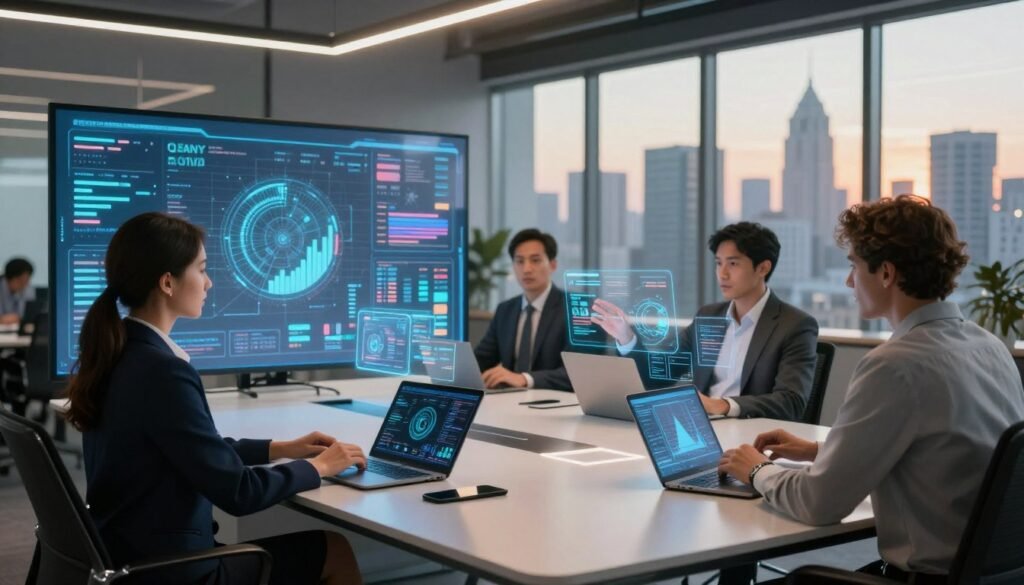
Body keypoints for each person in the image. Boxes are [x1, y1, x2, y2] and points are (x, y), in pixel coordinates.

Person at [719, 195, 1024, 584]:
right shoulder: (988, 346)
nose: (849, 280)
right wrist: (820, 450)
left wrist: (757, 470)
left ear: (886, 274)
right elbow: (946, 449)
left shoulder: (896, 364)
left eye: (854, 266)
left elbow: (819, 504)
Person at [64, 212, 366, 585]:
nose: (208, 283)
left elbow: (190, 450)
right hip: (172, 571)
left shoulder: (120, 353)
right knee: (334, 549)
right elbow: (239, 492)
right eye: (202, 270)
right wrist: (320, 467)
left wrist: (281, 447)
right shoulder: (163, 372)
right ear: (168, 283)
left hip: (126, 553)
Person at [592, 222, 818, 421]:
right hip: (702, 429)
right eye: (719, 263)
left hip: (753, 435)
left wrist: (722, 405)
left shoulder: (794, 325)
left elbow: (791, 401)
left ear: (763, 268)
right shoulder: (708, 317)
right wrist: (627, 337)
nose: (722, 274)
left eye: (733, 264)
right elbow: (658, 376)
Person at [474, 228, 571, 391]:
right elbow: (481, 360)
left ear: (553, 265)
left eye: (535, 260)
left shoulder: (573, 310)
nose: (526, 269)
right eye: (519, 261)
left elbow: (577, 373)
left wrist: (524, 379)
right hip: (510, 402)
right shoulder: (505, 310)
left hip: (555, 405)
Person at [0, 257, 34, 325]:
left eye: (27, 280)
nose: (24, 285)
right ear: (9, 278)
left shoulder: (27, 288)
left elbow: (28, 316)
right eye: (20, 281)